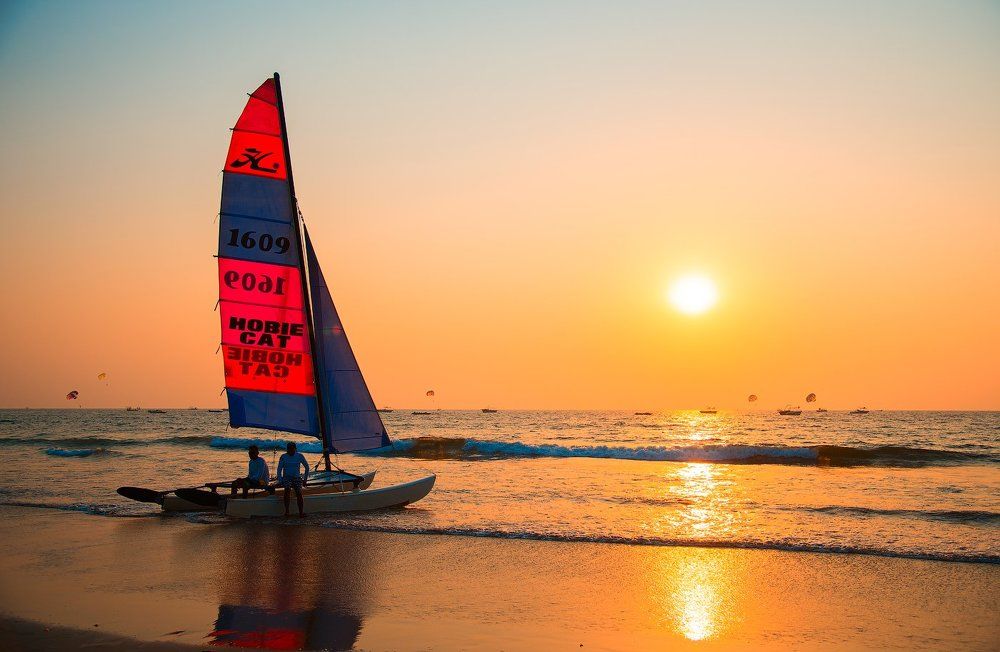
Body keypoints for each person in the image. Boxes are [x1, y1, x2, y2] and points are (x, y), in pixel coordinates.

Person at [277, 441, 310, 517]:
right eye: (289, 449)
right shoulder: (283, 456)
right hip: (286, 478)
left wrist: (305, 480)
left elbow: (307, 467)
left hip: (296, 477)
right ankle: (287, 511)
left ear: (295, 449)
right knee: (287, 490)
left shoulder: (300, 456)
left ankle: (301, 512)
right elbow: (279, 469)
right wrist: (280, 480)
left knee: (298, 492)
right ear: (287, 449)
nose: (290, 451)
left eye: (292, 449)